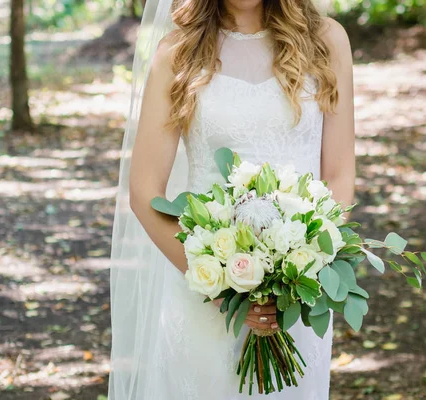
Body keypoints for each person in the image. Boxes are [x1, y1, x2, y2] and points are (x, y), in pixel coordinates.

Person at [108, 0, 355, 398]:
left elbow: (340, 175)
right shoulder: (178, 52)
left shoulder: (327, 41)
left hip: (294, 302)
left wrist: (302, 272)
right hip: (203, 295)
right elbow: (144, 191)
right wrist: (223, 286)